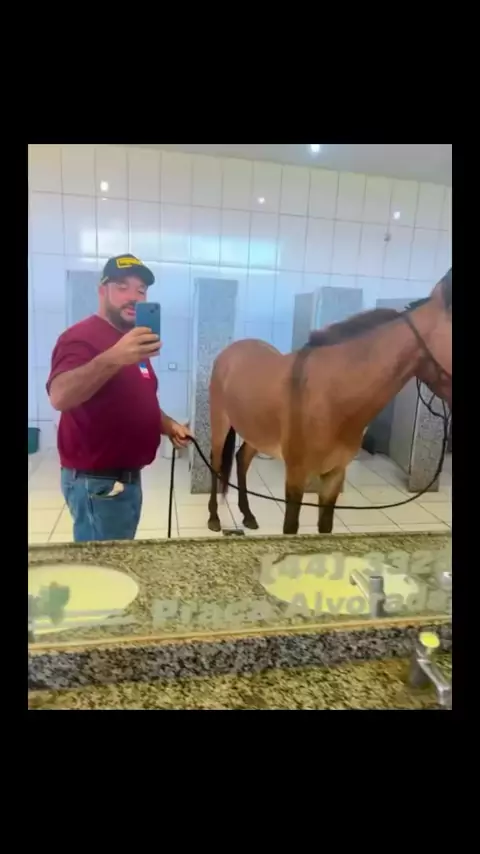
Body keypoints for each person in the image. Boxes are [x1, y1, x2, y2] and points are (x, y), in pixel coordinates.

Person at [47, 253, 192, 542]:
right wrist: (114, 357)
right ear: (102, 290)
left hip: (125, 478)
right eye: (122, 287)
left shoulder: (133, 340)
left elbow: (138, 399)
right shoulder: (79, 338)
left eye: (141, 290)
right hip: (97, 483)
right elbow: (60, 396)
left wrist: (169, 425)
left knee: (117, 556)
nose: (134, 297)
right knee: (101, 564)